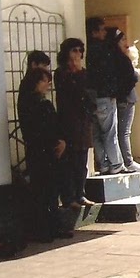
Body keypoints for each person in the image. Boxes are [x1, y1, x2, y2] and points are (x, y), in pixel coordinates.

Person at [18, 65, 69, 240]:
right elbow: (49, 127)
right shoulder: (41, 104)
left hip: (36, 151)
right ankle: (50, 228)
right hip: (46, 151)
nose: (48, 85)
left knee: (42, 191)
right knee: (49, 191)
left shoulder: (25, 102)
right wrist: (59, 142)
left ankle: (47, 229)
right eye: (46, 81)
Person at [54, 37, 92, 215]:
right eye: (74, 50)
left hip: (83, 123)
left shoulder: (84, 73)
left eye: (79, 51)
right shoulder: (61, 73)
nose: (77, 54)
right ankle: (69, 197)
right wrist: (75, 74)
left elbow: (88, 94)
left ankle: (80, 194)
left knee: (82, 162)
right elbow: (70, 94)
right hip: (68, 123)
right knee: (69, 163)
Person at [85, 16, 122, 175]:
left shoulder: (87, 50)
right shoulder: (104, 50)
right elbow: (108, 74)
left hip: (92, 96)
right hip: (105, 96)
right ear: (94, 32)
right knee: (109, 131)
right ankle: (115, 163)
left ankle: (103, 163)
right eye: (101, 30)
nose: (104, 33)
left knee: (96, 133)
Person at [108, 27, 140, 171]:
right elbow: (131, 78)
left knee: (119, 131)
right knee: (124, 131)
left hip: (120, 98)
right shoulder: (121, 59)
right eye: (122, 39)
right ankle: (128, 162)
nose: (126, 43)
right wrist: (135, 73)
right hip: (126, 98)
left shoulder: (111, 58)